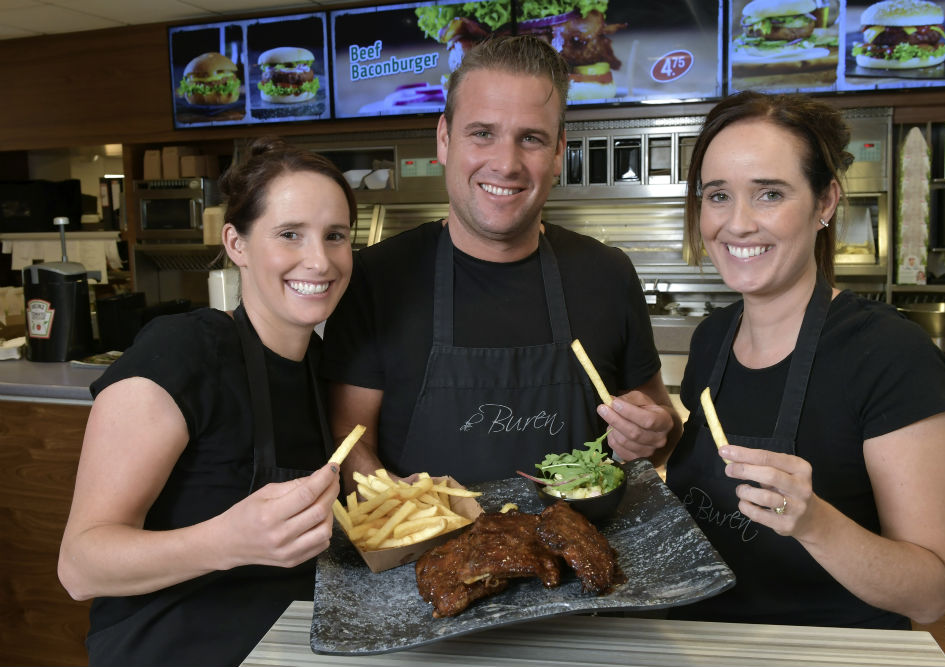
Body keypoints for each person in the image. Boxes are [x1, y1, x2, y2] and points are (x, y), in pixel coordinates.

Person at [322, 35, 681, 488]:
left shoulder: (608, 274)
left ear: (558, 152)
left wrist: (655, 433)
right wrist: (405, 505)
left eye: (530, 138)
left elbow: (663, 431)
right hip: (426, 534)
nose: (506, 163)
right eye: (482, 133)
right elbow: (348, 438)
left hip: (581, 535)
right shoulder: (375, 280)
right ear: (444, 139)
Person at [665, 91, 945, 629]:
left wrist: (814, 523)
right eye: (718, 195)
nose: (737, 223)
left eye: (769, 194)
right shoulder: (711, 339)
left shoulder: (892, 355)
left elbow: (930, 594)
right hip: (700, 638)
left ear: (824, 202)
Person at [57, 137, 357, 666]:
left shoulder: (320, 365)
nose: (320, 260)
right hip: (171, 647)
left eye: (335, 236)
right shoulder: (183, 350)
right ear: (236, 244)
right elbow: (80, 566)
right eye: (290, 234)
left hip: (284, 646)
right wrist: (228, 540)